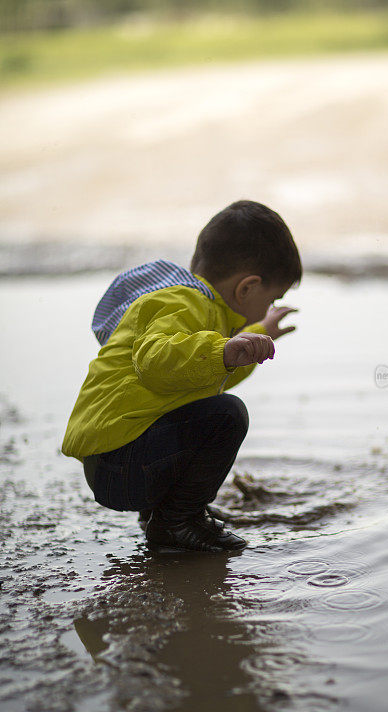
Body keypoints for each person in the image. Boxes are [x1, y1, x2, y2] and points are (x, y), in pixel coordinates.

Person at [61, 199, 301, 554]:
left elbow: (197, 377)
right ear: (247, 288)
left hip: (117, 461)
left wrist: (244, 342)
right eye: (271, 298)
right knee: (227, 415)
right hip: (121, 466)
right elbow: (155, 360)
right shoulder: (183, 303)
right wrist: (222, 351)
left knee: (207, 405)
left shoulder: (200, 307)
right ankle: (177, 522)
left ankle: (168, 514)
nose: (269, 307)